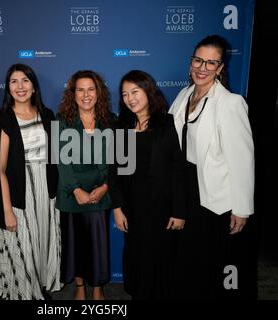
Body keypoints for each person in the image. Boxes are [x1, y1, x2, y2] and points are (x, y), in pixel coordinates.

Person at [168, 34, 255, 299]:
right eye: (198, 60)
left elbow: (242, 159)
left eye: (210, 63)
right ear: (191, 61)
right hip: (187, 191)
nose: (202, 68)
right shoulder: (184, 95)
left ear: (220, 68)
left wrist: (242, 209)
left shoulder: (230, 103)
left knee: (216, 266)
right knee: (191, 262)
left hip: (216, 198)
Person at [108, 70, 186, 299]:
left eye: (135, 91)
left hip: (162, 208)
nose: (130, 98)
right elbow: (114, 172)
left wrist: (179, 211)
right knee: (136, 257)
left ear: (148, 90)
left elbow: (179, 170)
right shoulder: (121, 127)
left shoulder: (168, 123)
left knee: (161, 260)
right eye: (125, 94)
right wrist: (117, 208)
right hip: (133, 207)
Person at [0, 63, 61, 300]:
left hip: (47, 191)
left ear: (33, 86)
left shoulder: (48, 115)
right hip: (20, 193)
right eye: (14, 81)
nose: (20, 86)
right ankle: (23, 292)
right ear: (8, 87)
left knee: (42, 242)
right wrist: (7, 210)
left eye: (25, 80)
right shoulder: (3, 119)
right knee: (22, 246)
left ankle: (37, 288)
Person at [56, 70, 114, 300]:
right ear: (73, 93)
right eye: (80, 89)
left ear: (98, 93)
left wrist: (105, 187)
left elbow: (119, 161)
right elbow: (61, 161)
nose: (86, 94)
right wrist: (76, 190)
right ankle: (80, 287)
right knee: (75, 244)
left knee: (98, 245)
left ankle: (97, 287)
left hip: (102, 193)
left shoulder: (111, 121)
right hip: (72, 196)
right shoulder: (61, 121)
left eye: (91, 89)